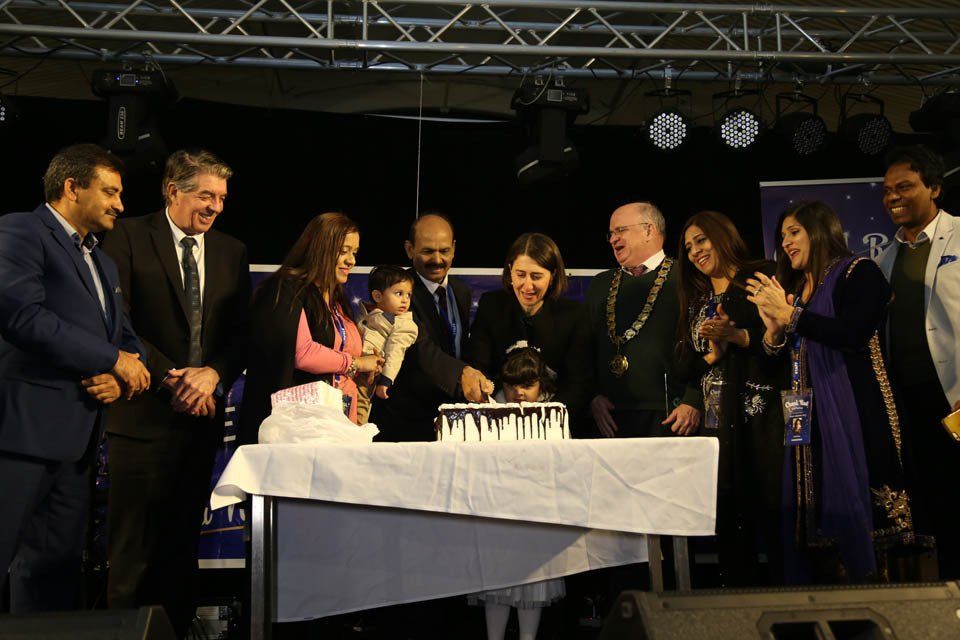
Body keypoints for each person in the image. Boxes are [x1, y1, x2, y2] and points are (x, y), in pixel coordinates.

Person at [100, 149, 251, 636]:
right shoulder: (126, 236)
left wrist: (212, 374)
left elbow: (238, 335)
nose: (215, 207)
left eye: (222, 198)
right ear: (173, 191)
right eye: (205, 195)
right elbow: (116, 321)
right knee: (130, 551)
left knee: (182, 549)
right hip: (140, 418)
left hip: (198, 420)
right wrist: (174, 377)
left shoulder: (231, 251)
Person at [748, 200, 934, 583]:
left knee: (870, 513)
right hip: (809, 422)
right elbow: (776, 364)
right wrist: (773, 329)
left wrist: (793, 317)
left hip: (859, 413)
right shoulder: (798, 290)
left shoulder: (859, 272)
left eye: (794, 232)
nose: (786, 243)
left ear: (819, 230)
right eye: (782, 236)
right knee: (817, 529)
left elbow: (852, 334)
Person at [0, 143, 148, 612]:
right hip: (20, 435)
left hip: (78, 442)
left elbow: (127, 339)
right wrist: (109, 359)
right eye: (110, 192)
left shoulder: (102, 262)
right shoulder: (20, 230)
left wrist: (122, 375)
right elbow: (21, 316)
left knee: (54, 575)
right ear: (71, 187)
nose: (120, 205)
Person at [674, 210, 784, 586]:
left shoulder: (760, 277)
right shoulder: (698, 299)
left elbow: (786, 347)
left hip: (762, 421)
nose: (694, 252)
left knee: (774, 522)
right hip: (716, 429)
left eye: (701, 240)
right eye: (688, 247)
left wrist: (738, 337)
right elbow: (689, 366)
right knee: (730, 526)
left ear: (724, 235)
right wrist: (713, 355)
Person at [876, 145, 960, 580]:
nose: (893, 197)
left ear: (935, 188)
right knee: (942, 511)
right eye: (887, 190)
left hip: (958, 401)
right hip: (915, 408)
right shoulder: (885, 259)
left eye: (905, 187)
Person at [239, 212, 384, 445]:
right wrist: (355, 363)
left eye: (354, 252)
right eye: (343, 251)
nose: (351, 261)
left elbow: (345, 353)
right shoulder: (286, 289)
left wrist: (367, 364)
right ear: (321, 248)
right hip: (297, 429)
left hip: (339, 423)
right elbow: (303, 353)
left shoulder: (337, 298)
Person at [371, 213, 494, 443]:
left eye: (444, 250)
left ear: (454, 249)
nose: (437, 259)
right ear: (410, 250)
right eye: (428, 251)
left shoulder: (461, 291)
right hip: (405, 424)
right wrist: (462, 375)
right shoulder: (397, 292)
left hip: (452, 423)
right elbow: (419, 346)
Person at [585, 202, 702, 439]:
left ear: (649, 230)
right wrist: (592, 397)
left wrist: (694, 400)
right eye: (611, 233)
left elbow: (707, 347)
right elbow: (583, 349)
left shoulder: (687, 278)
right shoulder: (600, 284)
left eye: (620, 231)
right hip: (610, 418)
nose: (613, 239)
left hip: (673, 416)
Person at [474, 345, 565, 640]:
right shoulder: (490, 412)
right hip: (497, 513)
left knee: (532, 582)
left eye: (527, 385)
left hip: (536, 514)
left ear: (542, 384)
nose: (519, 393)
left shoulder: (554, 416)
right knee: (496, 584)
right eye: (512, 385)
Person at [467, 233, 590, 419]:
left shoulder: (573, 315)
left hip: (553, 423)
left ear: (553, 276)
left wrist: (547, 421)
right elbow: (480, 367)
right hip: (499, 418)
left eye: (536, 276)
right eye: (520, 275)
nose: (527, 285)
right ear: (510, 272)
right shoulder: (490, 306)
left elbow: (577, 383)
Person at [356, 265, 418, 424]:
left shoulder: (405, 325)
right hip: (350, 366)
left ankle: (355, 442)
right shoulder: (367, 313)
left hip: (367, 376)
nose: (405, 299)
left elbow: (396, 351)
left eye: (408, 295)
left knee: (358, 409)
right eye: (399, 293)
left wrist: (385, 380)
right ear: (377, 296)